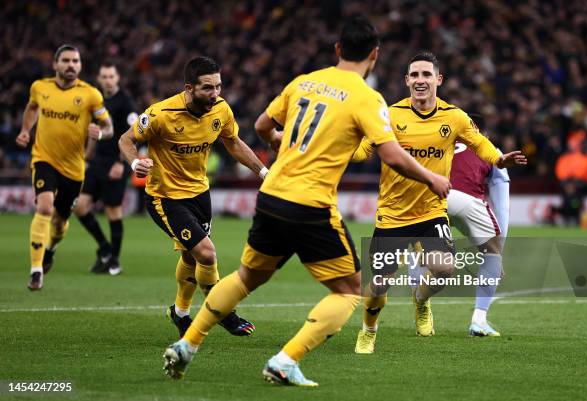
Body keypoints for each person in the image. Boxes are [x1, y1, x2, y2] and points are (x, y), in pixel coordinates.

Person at [162, 16, 451, 386]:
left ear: (337, 50)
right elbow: (392, 156)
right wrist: (432, 177)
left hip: (271, 195)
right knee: (349, 291)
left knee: (248, 276)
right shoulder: (367, 98)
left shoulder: (304, 82)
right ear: (375, 55)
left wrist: (286, 147)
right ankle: (286, 361)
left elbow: (264, 126)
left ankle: (187, 344)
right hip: (310, 204)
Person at [351, 51, 526, 354]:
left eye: (426, 75)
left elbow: (480, 143)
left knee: (445, 271)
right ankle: (369, 329)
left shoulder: (454, 117)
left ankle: (420, 299)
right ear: (407, 81)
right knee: (379, 285)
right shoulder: (389, 115)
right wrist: (338, 148)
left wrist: (499, 159)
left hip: (432, 211)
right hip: (392, 215)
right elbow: (363, 151)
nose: (420, 80)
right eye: (415, 75)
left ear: (438, 79)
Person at [118, 56, 266, 340]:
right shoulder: (161, 114)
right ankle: (223, 312)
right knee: (206, 253)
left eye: (219, 87)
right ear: (189, 87)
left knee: (190, 254)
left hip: (200, 194)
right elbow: (126, 139)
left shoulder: (221, 110)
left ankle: (180, 312)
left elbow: (233, 142)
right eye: (208, 88)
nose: (215, 94)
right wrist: (135, 163)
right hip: (166, 198)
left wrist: (262, 171)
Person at [15, 44, 113, 291]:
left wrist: (99, 133)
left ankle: (51, 248)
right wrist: (26, 130)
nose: (71, 65)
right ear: (55, 65)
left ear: (80, 66)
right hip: (44, 159)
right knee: (44, 208)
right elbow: (32, 108)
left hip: (73, 168)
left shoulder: (91, 94)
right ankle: (36, 270)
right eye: (66, 60)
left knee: (59, 222)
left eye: (75, 61)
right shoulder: (40, 87)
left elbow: (109, 127)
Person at [73, 62, 138, 275]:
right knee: (80, 206)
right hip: (97, 161)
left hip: (115, 162)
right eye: (104, 76)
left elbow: (135, 132)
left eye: (111, 76)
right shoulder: (97, 101)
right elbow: (94, 132)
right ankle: (104, 248)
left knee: (113, 210)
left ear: (117, 78)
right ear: (100, 79)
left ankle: (114, 261)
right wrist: (87, 157)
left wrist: (122, 162)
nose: (108, 80)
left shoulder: (125, 102)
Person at [448, 139, 510, 336]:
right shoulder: (489, 147)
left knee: (422, 246)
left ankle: (421, 310)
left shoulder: (437, 137)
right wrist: (498, 253)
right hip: (467, 200)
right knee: (492, 252)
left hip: (432, 196)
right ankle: (479, 321)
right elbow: (502, 206)